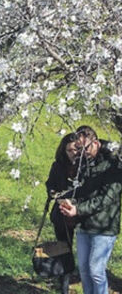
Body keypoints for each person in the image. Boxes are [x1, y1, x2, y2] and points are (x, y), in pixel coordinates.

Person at [60, 126, 122, 294]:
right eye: (78, 148)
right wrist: (70, 200)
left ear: (95, 143)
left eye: (84, 148)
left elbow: (106, 199)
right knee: (85, 271)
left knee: (96, 271)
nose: (81, 152)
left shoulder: (113, 163)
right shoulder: (84, 162)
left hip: (104, 227)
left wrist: (77, 209)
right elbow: (81, 189)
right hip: (85, 225)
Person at [45, 132, 81, 294]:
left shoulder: (86, 166)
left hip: (81, 214)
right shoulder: (58, 165)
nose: (73, 154)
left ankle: (78, 277)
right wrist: (52, 192)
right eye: (69, 150)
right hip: (62, 214)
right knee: (64, 248)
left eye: (76, 150)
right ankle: (64, 286)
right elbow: (50, 183)